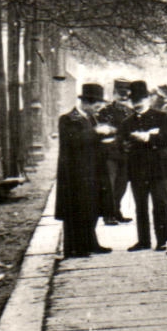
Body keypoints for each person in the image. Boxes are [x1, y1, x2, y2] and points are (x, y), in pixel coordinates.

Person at [55, 83, 113, 258]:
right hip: (75, 173)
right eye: (96, 105)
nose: (98, 109)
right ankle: (75, 248)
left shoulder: (91, 118)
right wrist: (97, 133)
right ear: (86, 102)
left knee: (91, 207)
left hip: (92, 171)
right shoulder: (68, 119)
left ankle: (90, 243)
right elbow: (75, 140)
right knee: (76, 209)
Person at [119, 80, 167, 251]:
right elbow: (122, 143)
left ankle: (162, 240)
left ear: (148, 98)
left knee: (160, 204)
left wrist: (148, 137)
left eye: (141, 99)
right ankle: (144, 241)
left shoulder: (161, 117)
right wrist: (128, 143)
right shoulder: (126, 122)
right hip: (138, 169)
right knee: (140, 206)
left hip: (158, 168)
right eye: (134, 99)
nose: (137, 103)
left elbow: (166, 138)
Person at [97, 79, 133, 226]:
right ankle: (108, 214)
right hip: (110, 154)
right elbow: (103, 132)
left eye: (126, 94)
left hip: (126, 153)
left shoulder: (130, 112)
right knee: (109, 185)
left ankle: (116, 211)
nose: (123, 97)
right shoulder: (105, 112)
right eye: (120, 94)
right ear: (114, 93)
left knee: (122, 185)